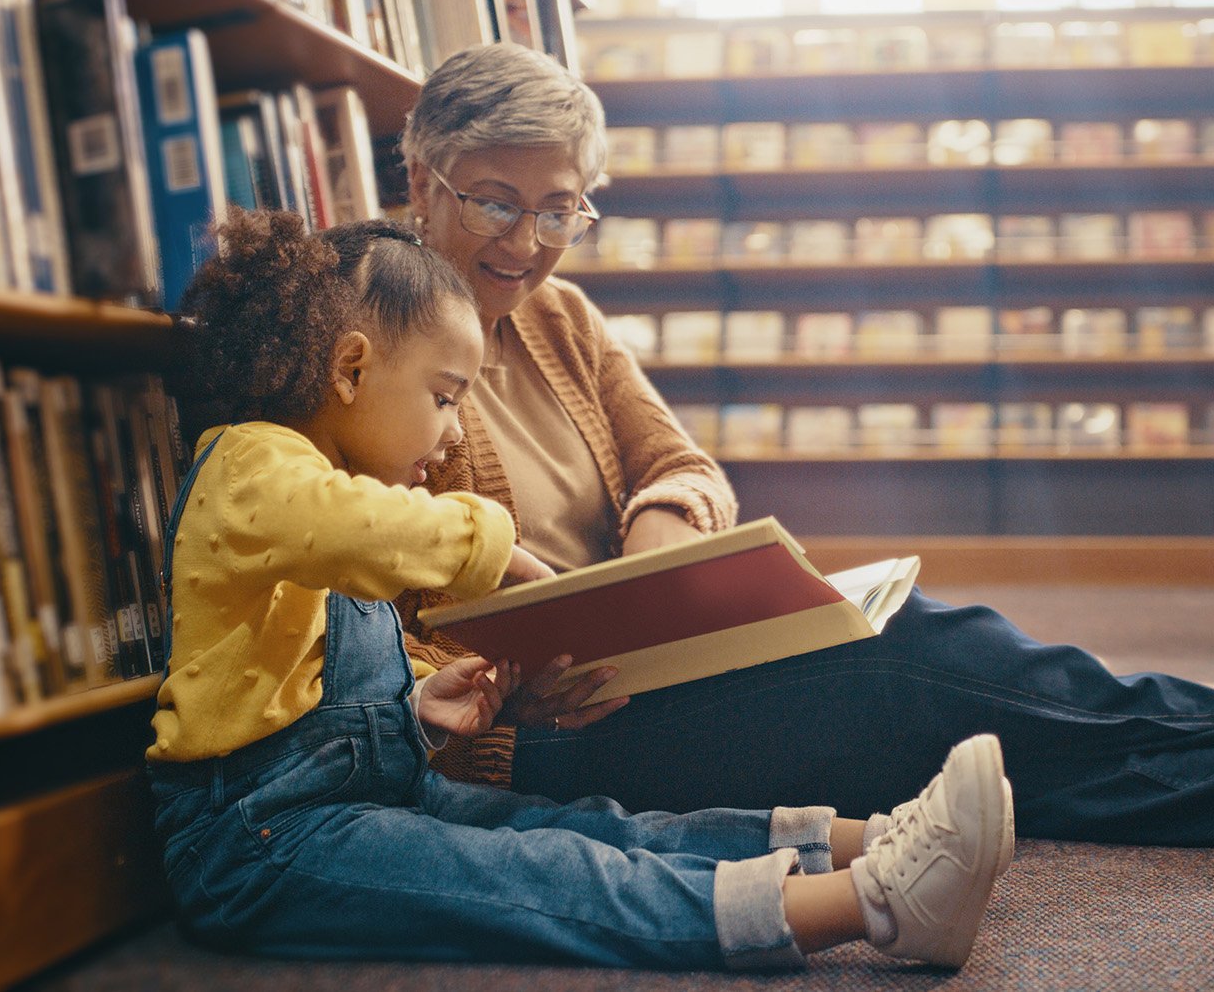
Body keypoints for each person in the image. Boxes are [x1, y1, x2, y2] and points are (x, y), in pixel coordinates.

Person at [395, 41, 1214, 854]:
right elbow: (360, 604)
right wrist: (506, 700)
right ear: (421, 178)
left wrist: (649, 570)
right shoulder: (371, 340)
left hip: (663, 665)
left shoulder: (561, 316)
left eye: (560, 208)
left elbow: (680, 465)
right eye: (495, 201)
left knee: (922, 684)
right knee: (906, 670)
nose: (527, 241)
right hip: (543, 738)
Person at [147, 208, 1017, 971]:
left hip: (363, 793)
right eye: (446, 398)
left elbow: (290, 681)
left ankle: (861, 841)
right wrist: (502, 551)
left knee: (580, 826)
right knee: (547, 877)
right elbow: (360, 531)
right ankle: (874, 906)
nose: (451, 437)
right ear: (348, 371)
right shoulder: (254, 466)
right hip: (259, 843)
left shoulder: (326, 482)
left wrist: (413, 704)